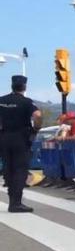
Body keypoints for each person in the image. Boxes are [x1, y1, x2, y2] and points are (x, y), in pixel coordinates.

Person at [0, 75, 41, 212]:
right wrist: (36, 128)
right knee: (20, 169)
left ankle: (12, 200)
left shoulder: (2, 100)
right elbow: (38, 115)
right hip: (20, 138)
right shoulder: (26, 102)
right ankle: (16, 203)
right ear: (24, 87)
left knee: (8, 168)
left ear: (12, 85)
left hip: (4, 137)